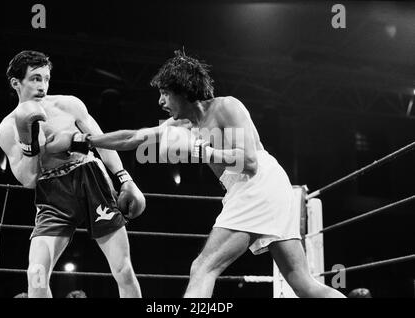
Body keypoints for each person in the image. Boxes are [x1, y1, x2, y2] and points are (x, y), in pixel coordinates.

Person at [47, 50, 345, 298]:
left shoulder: (227, 107)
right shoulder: (179, 126)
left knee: (203, 267)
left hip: (259, 183)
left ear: (183, 90)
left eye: (165, 93)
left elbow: (250, 162)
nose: (160, 102)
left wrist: (207, 153)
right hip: (256, 188)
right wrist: (84, 140)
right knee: (303, 285)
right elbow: (133, 138)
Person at [0, 50, 145, 298]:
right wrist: (30, 143)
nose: (42, 85)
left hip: (89, 177)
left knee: (122, 269)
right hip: (52, 192)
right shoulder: (7, 128)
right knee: (36, 273)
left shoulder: (69, 104)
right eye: (34, 78)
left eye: (45, 78)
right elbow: (30, 180)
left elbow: (101, 142)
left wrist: (125, 179)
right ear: (15, 83)